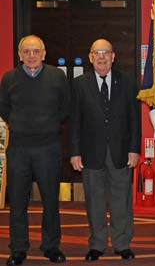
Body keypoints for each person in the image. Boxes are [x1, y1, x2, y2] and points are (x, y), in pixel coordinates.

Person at [0, 35, 70, 265]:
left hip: (48, 147)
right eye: (26, 51)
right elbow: (4, 107)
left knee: (51, 200)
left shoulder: (57, 76)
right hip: (19, 148)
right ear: (19, 55)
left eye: (36, 51)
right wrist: (20, 124)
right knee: (18, 201)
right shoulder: (9, 78)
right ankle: (18, 248)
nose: (31, 55)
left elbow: (65, 107)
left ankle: (51, 246)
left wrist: (48, 125)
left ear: (44, 53)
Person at [69, 39, 141, 262]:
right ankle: (97, 244)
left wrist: (133, 149)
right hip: (90, 153)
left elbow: (134, 119)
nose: (101, 57)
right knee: (95, 201)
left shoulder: (128, 82)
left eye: (106, 53)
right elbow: (75, 122)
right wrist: (75, 151)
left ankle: (122, 243)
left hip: (121, 151)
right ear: (90, 57)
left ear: (113, 56)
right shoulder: (79, 84)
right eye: (97, 53)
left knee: (121, 200)